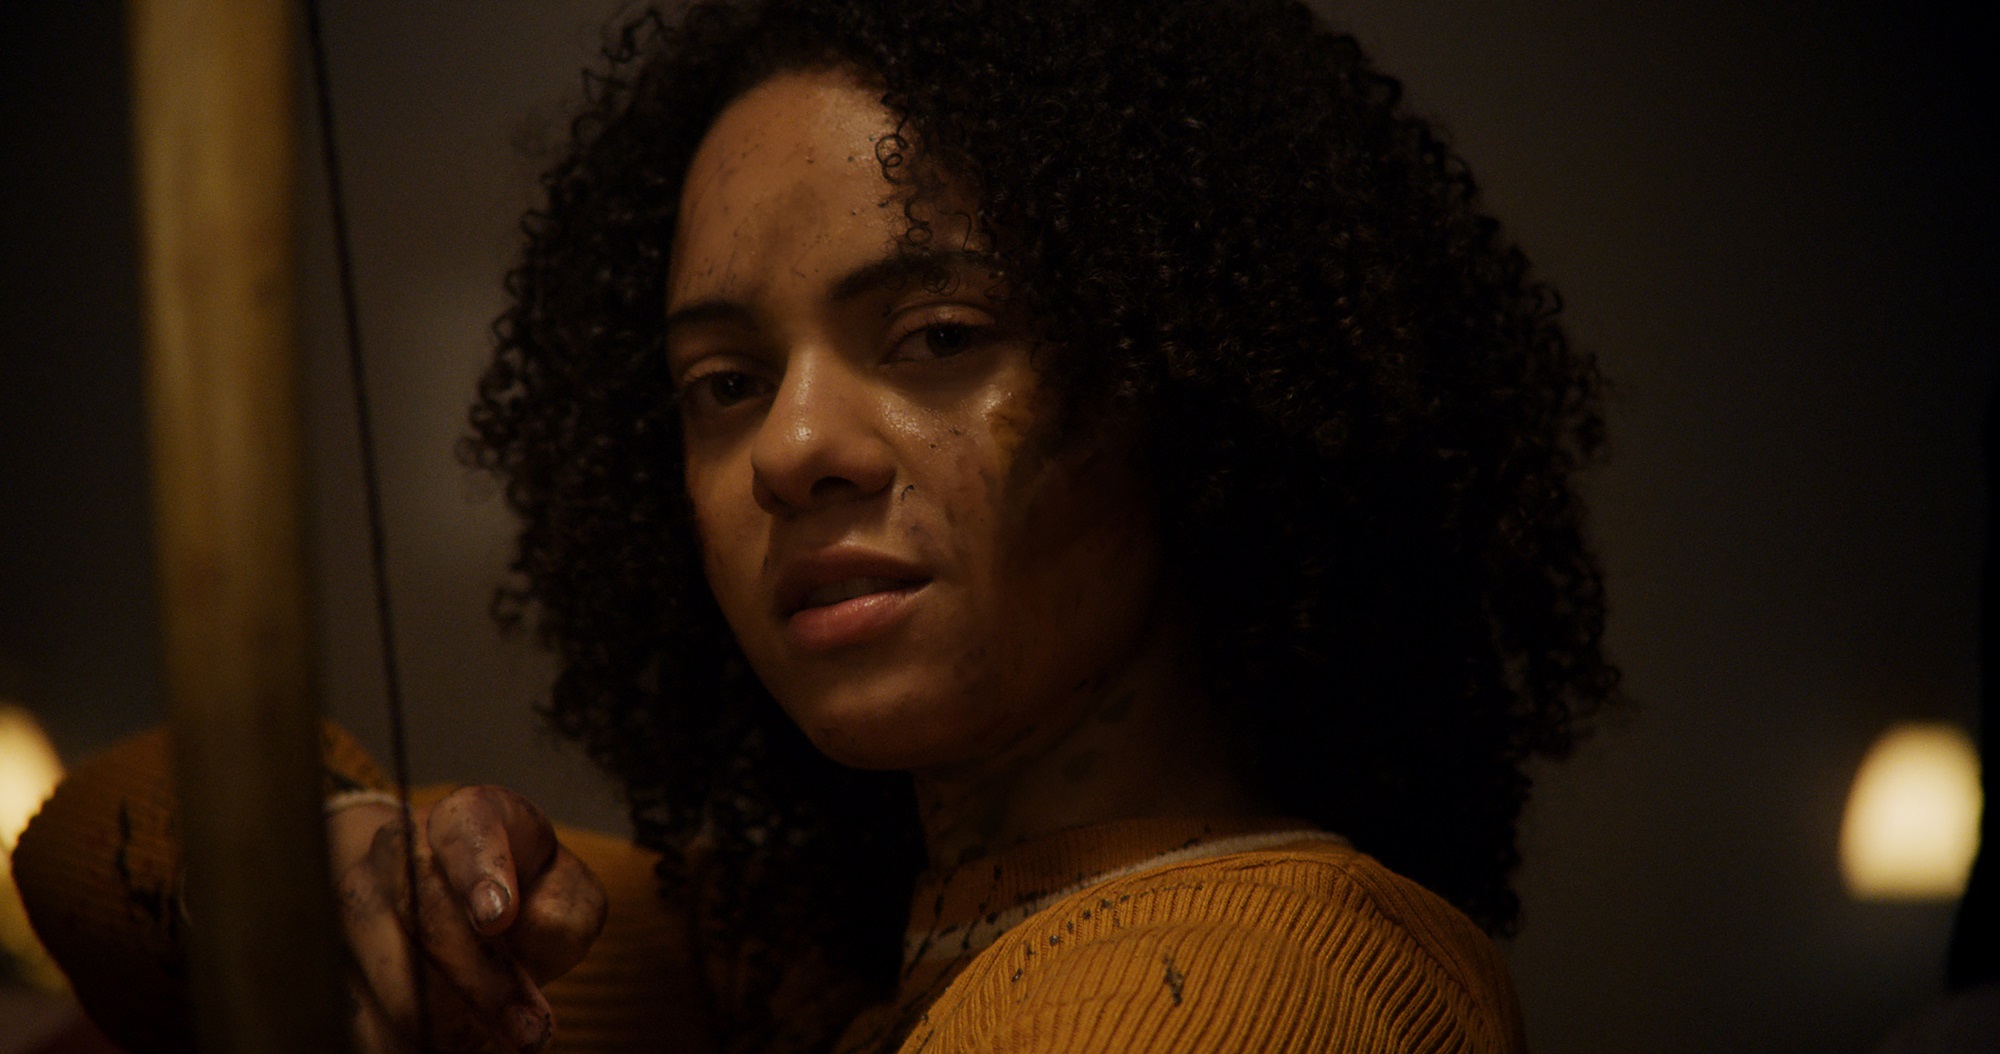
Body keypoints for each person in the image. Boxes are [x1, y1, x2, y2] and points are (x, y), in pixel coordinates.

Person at [15, 0, 1618, 1051]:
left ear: (1202, 387)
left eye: (937, 337)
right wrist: (343, 854)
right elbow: (98, 850)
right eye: (722, 381)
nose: (788, 450)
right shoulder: (808, 955)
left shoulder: (1277, 977)